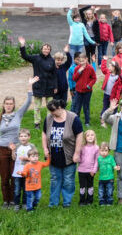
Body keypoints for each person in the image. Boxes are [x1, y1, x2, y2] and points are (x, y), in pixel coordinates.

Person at [0, 77, 35, 209]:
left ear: (14, 105)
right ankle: (6, 201)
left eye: (11, 103)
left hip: (16, 149)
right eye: (6, 103)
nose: (8, 105)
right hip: (2, 149)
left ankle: (15, 201)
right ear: (3, 105)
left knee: (15, 176)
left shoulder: (18, 115)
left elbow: (28, 102)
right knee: (4, 177)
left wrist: (30, 86)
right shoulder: (0, 117)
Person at [42, 98, 83, 208]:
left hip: (69, 155)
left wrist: (77, 153)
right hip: (53, 156)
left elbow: (79, 135)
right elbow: (44, 133)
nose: (51, 113)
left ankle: (67, 202)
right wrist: (45, 148)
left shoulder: (73, 118)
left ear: (59, 108)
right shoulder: (49, 118)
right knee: (55, 179)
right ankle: (53, 203)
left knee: (68, 181)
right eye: (50, 111)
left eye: (53, 110)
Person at [18, 37, 56, 130]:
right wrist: (22, 45)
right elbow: (25, 56)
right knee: (37, 107)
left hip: (49, 86)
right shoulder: (36, 58)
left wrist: (55, 86)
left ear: (50, 50)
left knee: (50, 106)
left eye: (48, 49)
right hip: (38, 85)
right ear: (41, 49)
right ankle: (37, 123)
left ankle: (49, 122)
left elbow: (54, 75)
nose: (46, 50)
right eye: (45, 48)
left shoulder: (52, 60)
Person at [19, 147, 48, 212]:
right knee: (30, 198)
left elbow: (46, 164)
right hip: (29, 187)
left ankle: (34, 205)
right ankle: (29, 209)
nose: (35, 158)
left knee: (38, 197)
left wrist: (49, 157)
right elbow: (25, 173)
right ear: (29, 158)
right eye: (33, 156)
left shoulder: (40, 164)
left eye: (37, 156)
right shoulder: (27, 165)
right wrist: (21, 173)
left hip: (37, 186)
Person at [71, 52, 97, 125]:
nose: (81, 63)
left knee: (86, 106)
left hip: (87, 91)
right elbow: (74, 78)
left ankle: (87, 122)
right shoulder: (77, 68)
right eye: (80, 61)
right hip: (78, 91)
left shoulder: (90, 68)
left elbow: (94, 78)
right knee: (77, 107)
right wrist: (79, 71)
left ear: (86, 59)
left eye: (83, 61)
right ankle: (77, 121)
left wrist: (89, 86)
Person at [76, 129, 99, 205]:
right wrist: (77, 156)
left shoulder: (96, 148)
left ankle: (89, 200)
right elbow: (78, 158)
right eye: (88, 135)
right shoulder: (82, 147)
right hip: (81, 170)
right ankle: (82, 201)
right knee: (82, 187)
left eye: (92, 135)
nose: (90, 137)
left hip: (90, 171)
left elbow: (97, 160)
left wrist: (94, 170)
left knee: (90, 186)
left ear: (94, 137)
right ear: (85, 138)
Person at [96, 142, 119, 206]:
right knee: (101, 191)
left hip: (110, 178)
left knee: (109, 190)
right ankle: (102, 201)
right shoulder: (99, 158)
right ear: (99, 151)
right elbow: (97, 167)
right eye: (102, 151)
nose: (104, 152)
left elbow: (114, 165)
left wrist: (116, 167)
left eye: (106, 151)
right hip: (101, 178)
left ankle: (109, 201)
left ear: (109, 151)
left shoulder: (111, 158)